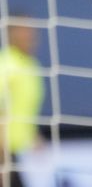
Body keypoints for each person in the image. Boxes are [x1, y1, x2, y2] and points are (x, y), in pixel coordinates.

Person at [0, 18, 45, 187]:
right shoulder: (6, 64)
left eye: (32, 31)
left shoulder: (30, 65)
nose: (30, 36)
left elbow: (23, 107)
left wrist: (33, 135)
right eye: (24, 31)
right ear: (11, 34)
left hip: (13, 151)